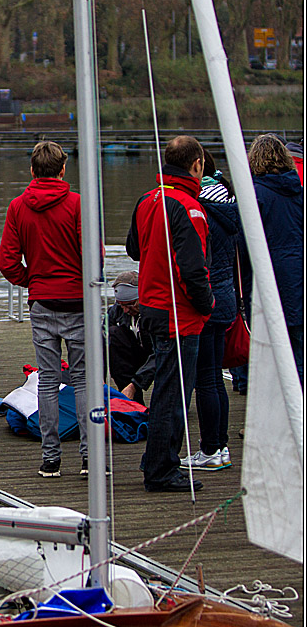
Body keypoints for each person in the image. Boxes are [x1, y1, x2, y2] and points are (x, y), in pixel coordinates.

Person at [126, 135, 214, 493]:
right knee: (173, 395)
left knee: (166, 388)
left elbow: (134, 249)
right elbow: (193, 270)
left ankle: (155, 459)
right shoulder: (189, 208)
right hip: (179, 313)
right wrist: (208, 304)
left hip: (152, 306)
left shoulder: (147, 199)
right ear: (196, 165)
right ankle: (161, 468)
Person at [0, 140, 88, 478]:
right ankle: (89, 457)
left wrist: (32, 281)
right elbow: (93, 256)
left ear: (32, 171)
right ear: (63, 169)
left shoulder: (18, 207)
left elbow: (7, 262)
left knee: (48, 381)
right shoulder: (77, 203)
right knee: (83, 380)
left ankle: (51, 459)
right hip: (77, 301)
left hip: (42, 302)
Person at [184, 150, 240, 471]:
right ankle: (221, 446)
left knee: (205, 378)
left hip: (207, 300)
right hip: (227, 297)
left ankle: (209, 449)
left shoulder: (199, 206)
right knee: (216, 377)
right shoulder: (229, 202)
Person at [248, 134, 304, 385]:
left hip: (270, 276)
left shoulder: (255, 195)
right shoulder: (298, 190)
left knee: (272, 348)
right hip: (298, 271)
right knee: (298, 344)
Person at [106, 271, 154, 406]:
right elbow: (100, 342)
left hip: (161, 356)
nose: (125, 310)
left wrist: (135, 384)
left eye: (130, 304)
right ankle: (132, 402)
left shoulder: (155, 313)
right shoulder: (116, 311)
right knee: (112, 334)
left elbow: (161, 353)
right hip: (136, 353)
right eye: (121, 305)